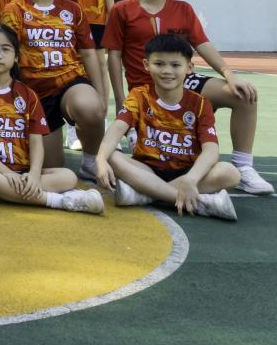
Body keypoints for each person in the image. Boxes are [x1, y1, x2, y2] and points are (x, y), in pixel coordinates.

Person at [103, 0, 272, 194]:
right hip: (146, 89)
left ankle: (244, 167)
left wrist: (230, 75)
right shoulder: (122, 10)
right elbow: (114, 56)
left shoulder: (183, 9)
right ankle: (170, 189)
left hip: (183, 82)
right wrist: (121, 100)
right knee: (134, 157)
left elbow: (203, 44)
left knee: (244, 96)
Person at [95, 34, 239, 221]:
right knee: (112, 156)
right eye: (159, 64)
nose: (167, 71)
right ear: (146, 65)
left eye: (175, 65)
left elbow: (211, 150)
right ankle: (199, 204)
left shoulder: (201, 103)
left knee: (230, 172)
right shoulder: (139, 96)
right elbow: (117, 128)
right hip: (146, 170)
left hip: (187, 172)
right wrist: (100, 159)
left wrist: (191, 179)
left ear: (189, 68)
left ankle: (144, 195)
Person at [0, 25, 104, 214]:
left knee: (68, 176)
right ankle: (59, 201)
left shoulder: (28, 95)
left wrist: (35, 175)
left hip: (24, 171)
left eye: (5, 49)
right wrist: (7, 173)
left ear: (16, 57)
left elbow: (36, 142)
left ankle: (0, 192)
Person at [0, 0, 108, 179]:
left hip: (68, 83)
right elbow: (7, 54)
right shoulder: (14, 10)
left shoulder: (72, 9)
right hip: (34, 93)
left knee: (90, 108)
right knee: (52, 167)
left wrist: (100, 95)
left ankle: (90, 161)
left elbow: (89, 54)